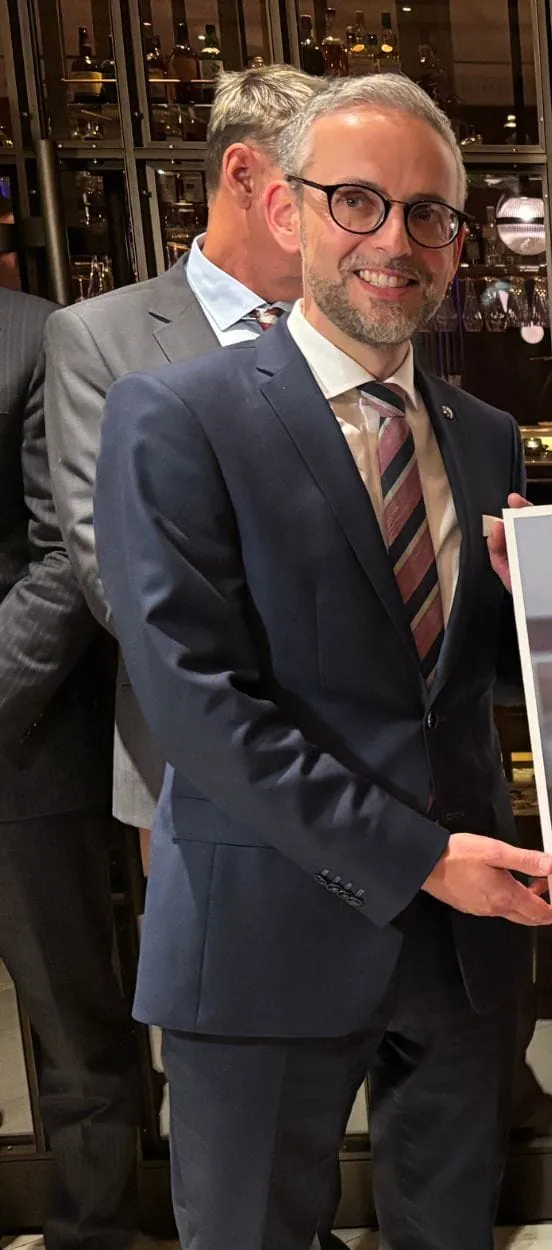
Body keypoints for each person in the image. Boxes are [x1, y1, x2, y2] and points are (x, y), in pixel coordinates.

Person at [92, 74, 552, 1250]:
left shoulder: (483, 434)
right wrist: (423, 858)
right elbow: (199, 707)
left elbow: (472, 685)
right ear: (289, 211)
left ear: (459, 244)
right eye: (358, 201)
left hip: (463, 959)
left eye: (428, 215)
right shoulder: (175, 415)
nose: (393, 241)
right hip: (265, 935)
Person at [46, 64, 320, 835]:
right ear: (243, 173)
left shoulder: (353, 329)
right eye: (323, 190)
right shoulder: (102, 338)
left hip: (366, 761)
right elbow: (113, 572)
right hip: (194, 764)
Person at [0, 287, 144, 1248]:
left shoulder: (31, 334)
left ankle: (95, 1233)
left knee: (74, 1027)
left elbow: (67, 554)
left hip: (23, 743)